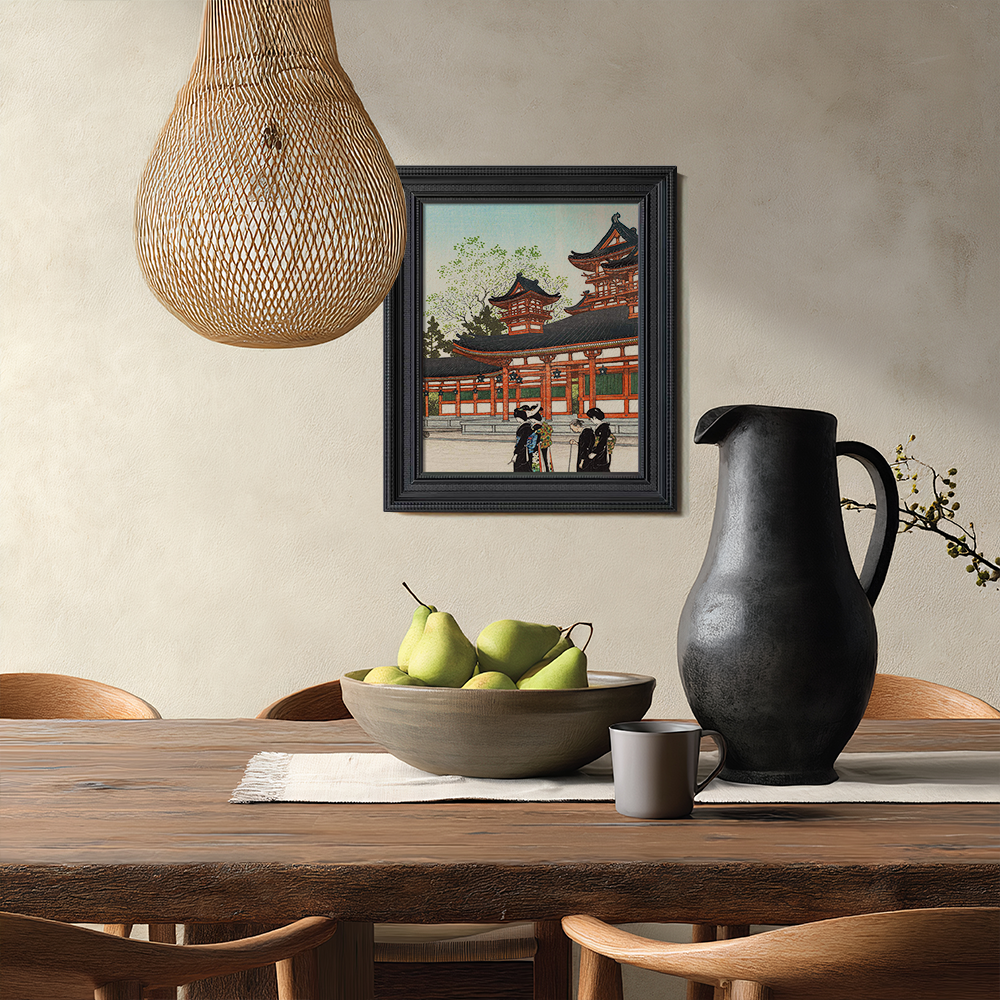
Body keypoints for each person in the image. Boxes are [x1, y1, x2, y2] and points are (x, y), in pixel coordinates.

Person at [577, 407, 613, 471]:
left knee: (600, 468)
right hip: (597, 451)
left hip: (600, 452)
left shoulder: (604, 427)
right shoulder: (599, 426)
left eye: (590, 418)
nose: (590, 420)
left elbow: (602, 442)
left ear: (594, 418)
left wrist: (594, 453)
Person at [510, 406, 535, 471]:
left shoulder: (525, 427)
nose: (517, 419)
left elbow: (522, 441)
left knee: (520, 467)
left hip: (522, 450)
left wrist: (516, 453)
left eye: (517, 418)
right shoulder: (526, 426)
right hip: (523, 449)